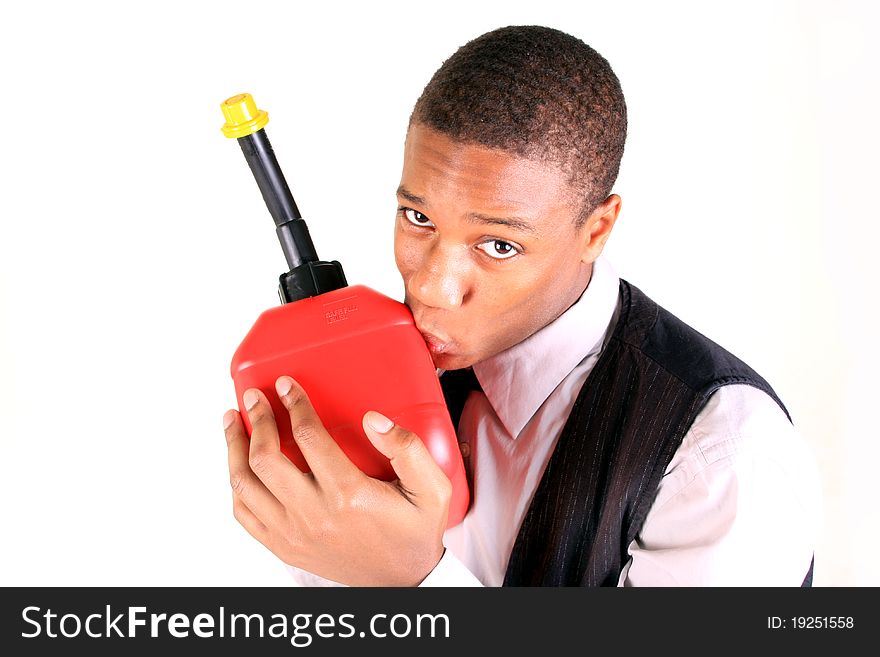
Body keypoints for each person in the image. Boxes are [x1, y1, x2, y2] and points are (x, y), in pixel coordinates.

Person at [222, 25, 820, 586]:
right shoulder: (380, 368)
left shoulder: (719, 458)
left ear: (596, 229)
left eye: (499, 245)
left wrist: (412, 583)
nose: (432, 287)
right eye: (418, 218)